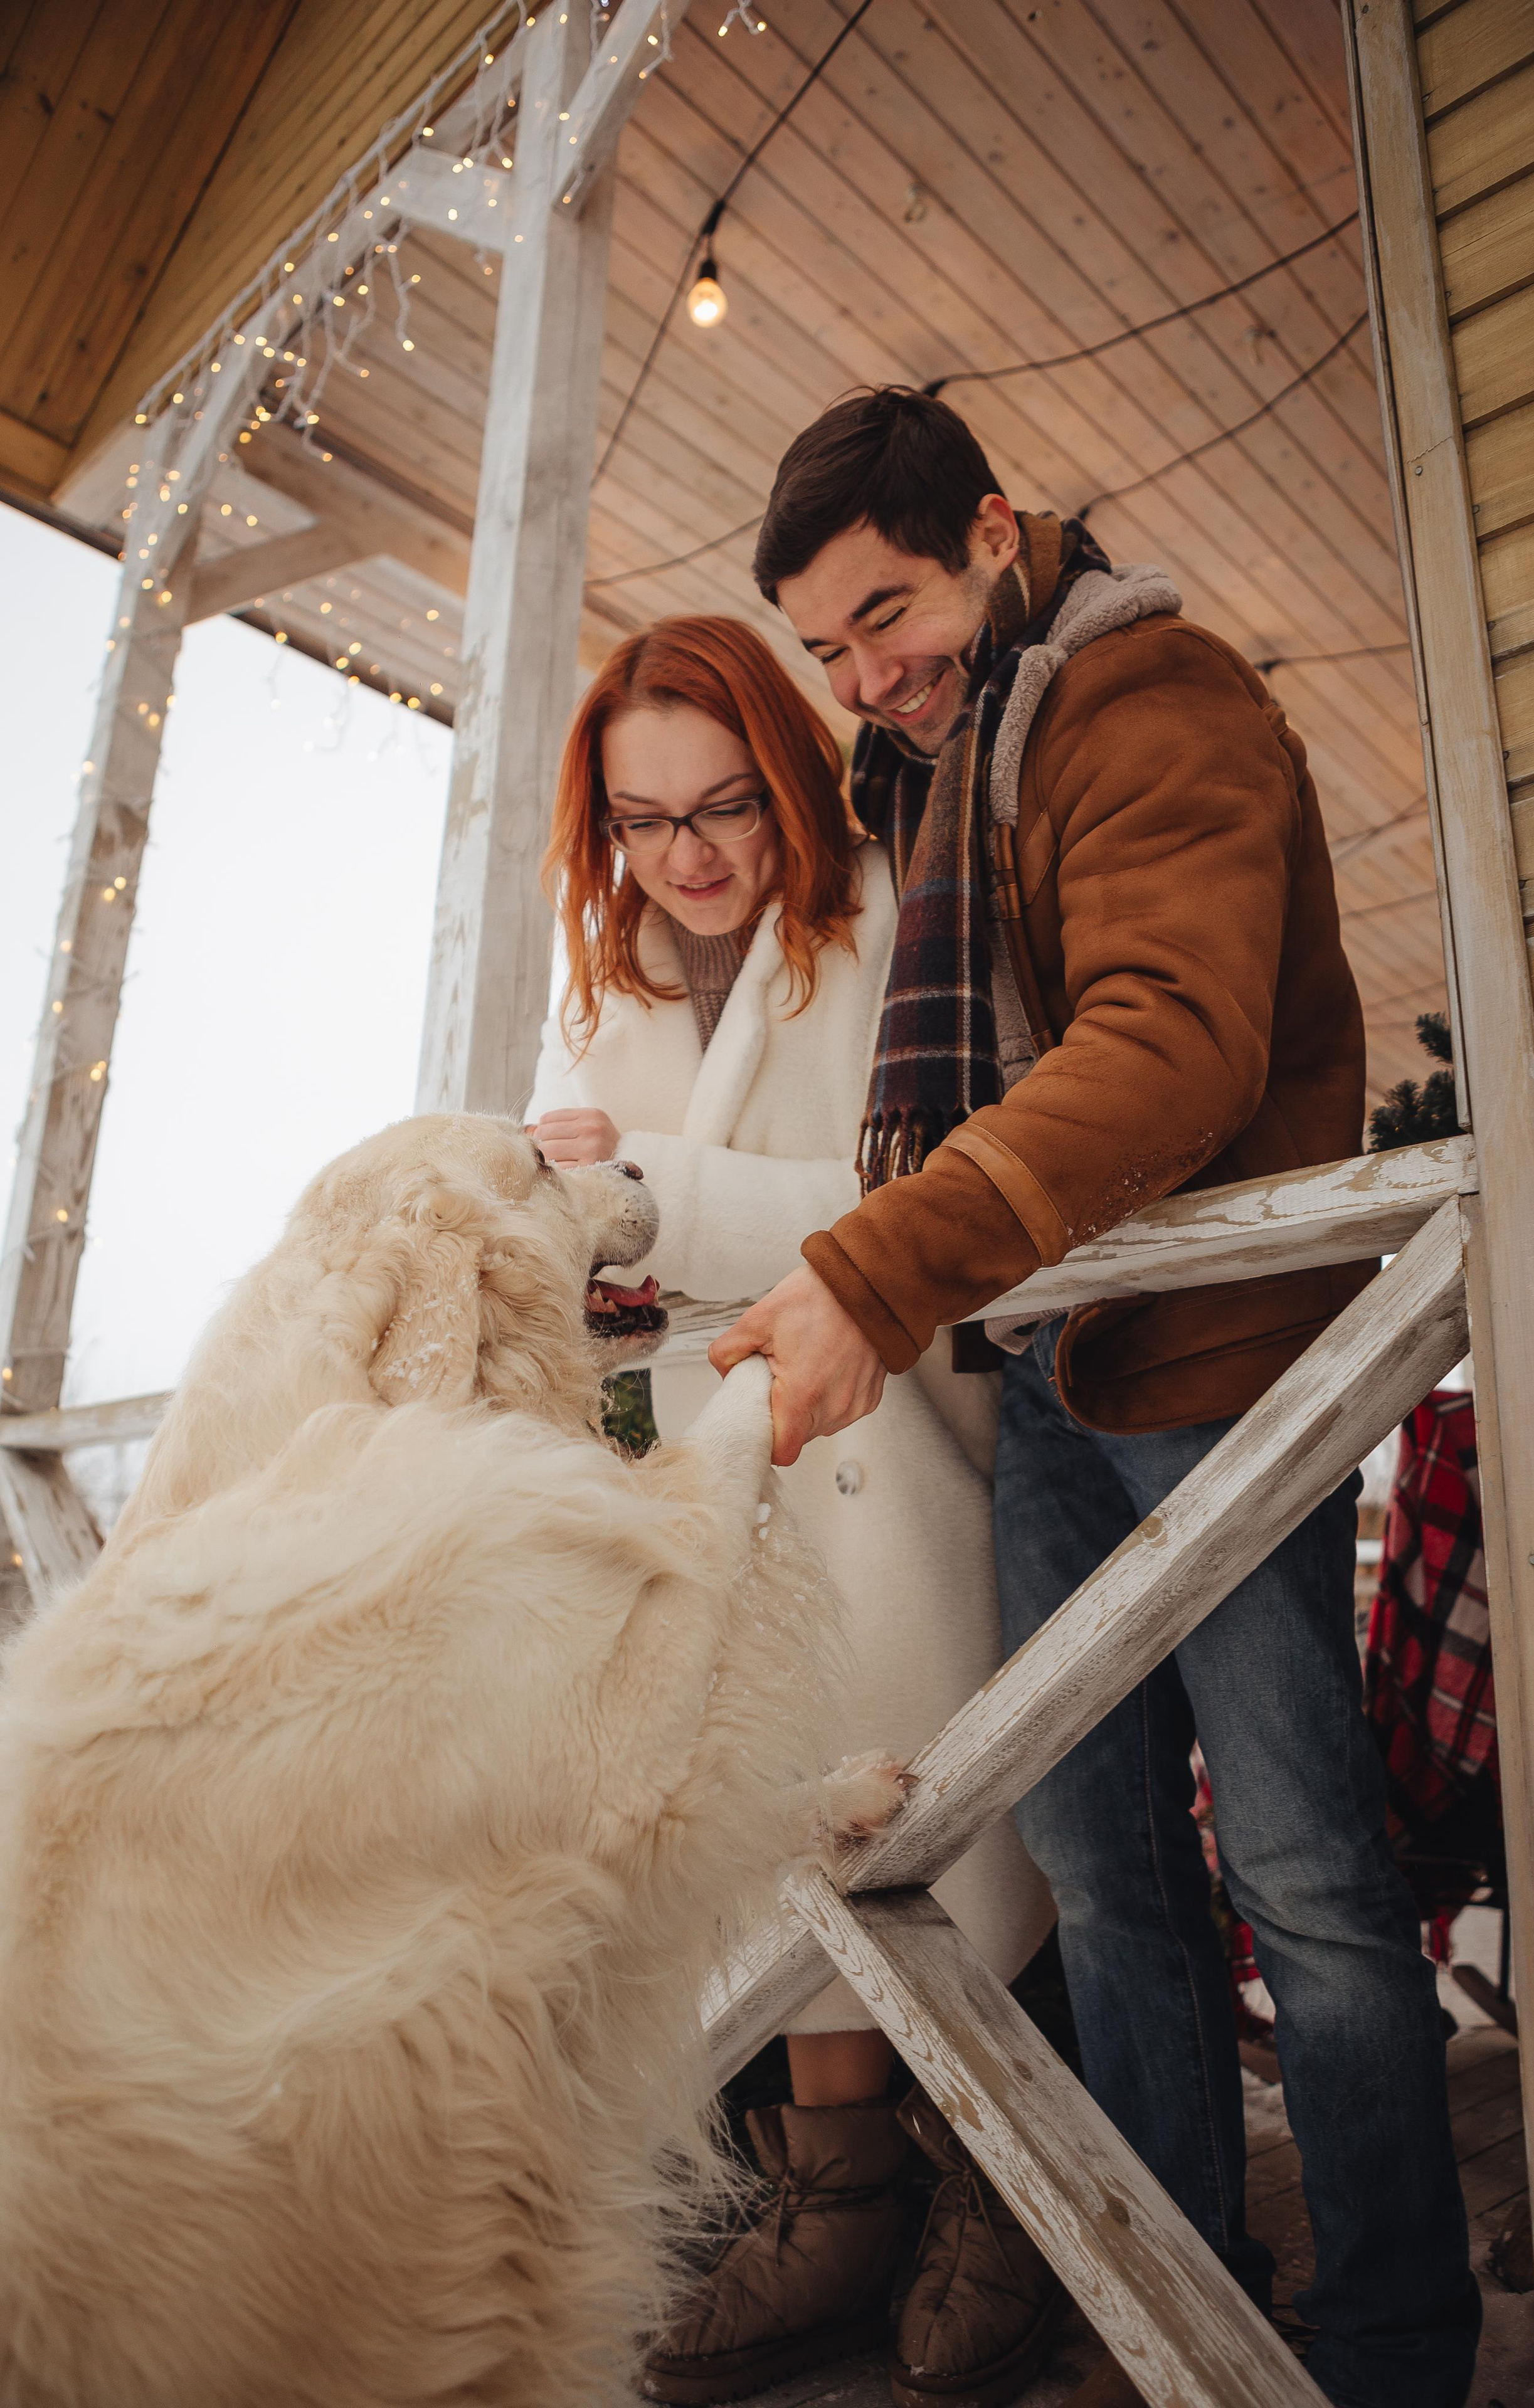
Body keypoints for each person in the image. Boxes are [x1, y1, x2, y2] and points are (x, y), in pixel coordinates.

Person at [712, 389, 1482, 2408]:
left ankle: (1393, 2348)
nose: (865, 677)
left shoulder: (1148, 701)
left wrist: (870, 1270)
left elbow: (1172, 1047)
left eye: (887, 615)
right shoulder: (932, 769)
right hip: (1058, 1368)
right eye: (828, 650)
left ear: (993, 528)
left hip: (1215, 1368)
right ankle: (1172, 2305)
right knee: (1098, 1865)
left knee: (1300, 1871)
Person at [524, 615, 1060, 2408]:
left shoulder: (887, 918)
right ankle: (833, 2202)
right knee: (760, 1817)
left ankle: (999, 2180)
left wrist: (654, 1194)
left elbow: (913, 1187)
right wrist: (564, 1214)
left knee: (945, 1802)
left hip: (881, 1435)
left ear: (785, 776)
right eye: (643, 819)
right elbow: (561, 1195)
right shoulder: (594, 978)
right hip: (694, 1465)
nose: (685, 855)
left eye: (724, 806)